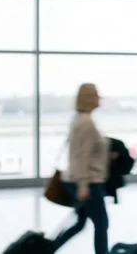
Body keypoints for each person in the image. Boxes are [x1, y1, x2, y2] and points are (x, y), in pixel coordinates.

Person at [52, 83, 114, 254]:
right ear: (88, 98)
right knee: (101, 223)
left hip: (78, 179)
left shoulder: (79, 119)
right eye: (96, 95)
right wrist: (83, 186)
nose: (99, 98)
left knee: (80, 223)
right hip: (89, 182)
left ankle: (48, 249)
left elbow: (82, 153)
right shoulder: (86, 123)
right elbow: (82, 156)